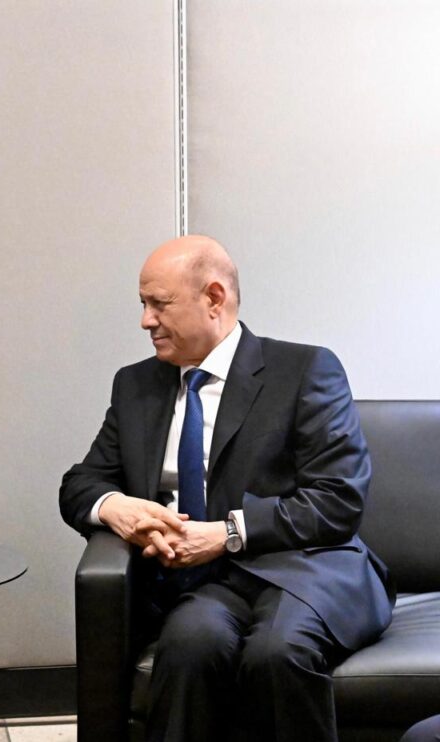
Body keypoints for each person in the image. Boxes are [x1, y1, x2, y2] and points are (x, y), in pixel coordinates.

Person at [60, 235, 393, 742]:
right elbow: (81, 482)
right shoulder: (136, 386)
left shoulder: (303, 370)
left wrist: (227, 533)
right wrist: (116, 507)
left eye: (159, 304)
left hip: (303, 569)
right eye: (143, 304)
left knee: (277, 652)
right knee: (189, 647)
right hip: (206, 586)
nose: (146, 320)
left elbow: (337, 499)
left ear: (213, 298)